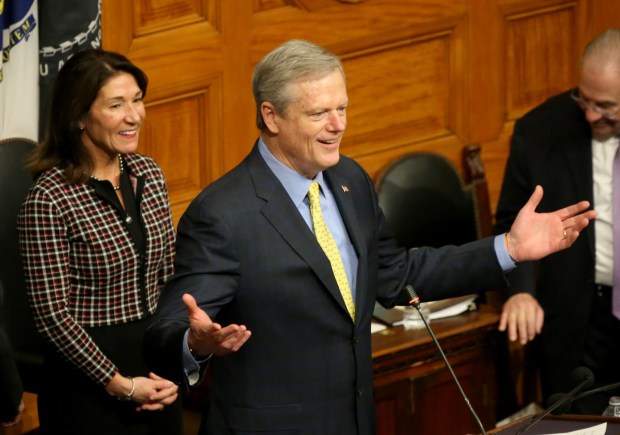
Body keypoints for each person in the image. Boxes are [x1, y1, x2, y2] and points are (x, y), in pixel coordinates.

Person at [143, 39, 596, 434]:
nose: (338, 125)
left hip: (355, 420)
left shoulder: (349, 180)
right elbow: (168, 330)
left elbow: (396, 276)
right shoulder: (222, 213)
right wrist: (196, 343)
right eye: (320, 113)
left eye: (341, 108)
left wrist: (509, 249)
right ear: (271, 116)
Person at [17, 49, 183, 435]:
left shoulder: (148, 173)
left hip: (158, 374)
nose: (134, 116)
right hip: (89, 385)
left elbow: (169, 276)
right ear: (79, 116)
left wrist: (179, 362)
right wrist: (122, 385)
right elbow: (53, 317)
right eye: (117, 105)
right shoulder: (49, 199)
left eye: (137, 100)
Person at [494, 28, 620, 415]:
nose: (589, 114)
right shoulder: (541, 130)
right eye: (584, 98)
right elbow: (512, 220)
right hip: (575, 319)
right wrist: (521, 290)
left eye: (606, 106)